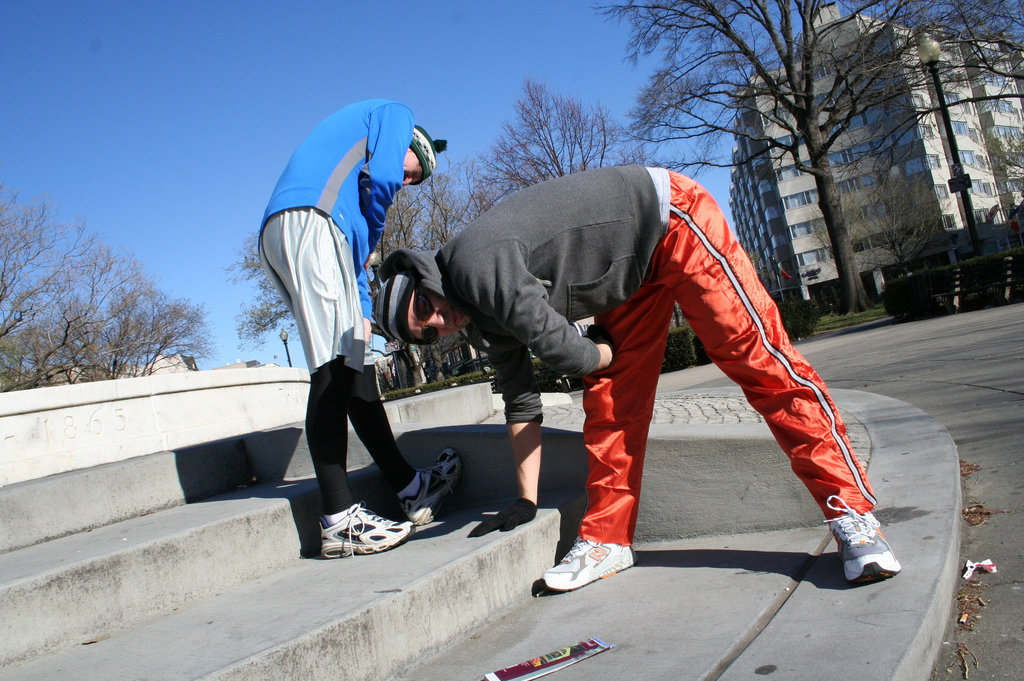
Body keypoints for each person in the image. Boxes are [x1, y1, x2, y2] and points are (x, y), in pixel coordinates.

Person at [372, 165, 901, 590]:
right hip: (629, 277)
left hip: (672, 218)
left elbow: (566, 352)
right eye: (427, 333)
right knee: (612, 402)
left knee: (758, 359)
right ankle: (607, 539)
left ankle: (852, 516)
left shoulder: (472, 264)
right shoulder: (479, 314)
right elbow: (521, 402)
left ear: (425, 275)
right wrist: (526, 500)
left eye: (426, 306)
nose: (439, 322)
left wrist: (600, 354)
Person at [259, 99, 461, 559]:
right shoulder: (395, 115)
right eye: (417, 170)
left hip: (312, 232)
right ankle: (338, 519)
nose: (410, 182)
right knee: (332, 367)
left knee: (358, 363)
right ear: (413, 145)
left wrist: (367, 318)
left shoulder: (351, 199)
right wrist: (373, 233)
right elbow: (388, 176)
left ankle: (409, 488)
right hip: (312, 217)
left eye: (417, 180)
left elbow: (356, 269)